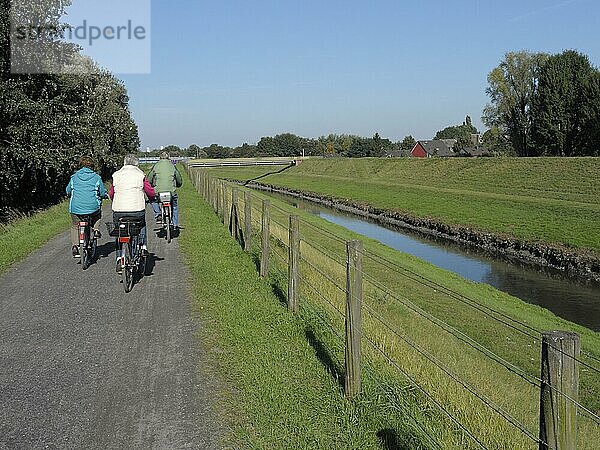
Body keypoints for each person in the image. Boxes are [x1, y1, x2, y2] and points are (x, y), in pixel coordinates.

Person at [108, 154, 155, 271]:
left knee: (120, 231)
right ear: (136, 163)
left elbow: (112, 193)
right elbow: (149, 191)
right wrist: (153, 197)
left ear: (124, 163)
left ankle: (119, 258)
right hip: (137, 210)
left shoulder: (116, 175)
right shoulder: (140, 175)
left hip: (119, 211)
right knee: (141, 224)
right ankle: (143, 246)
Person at [66, 156, 108, 258]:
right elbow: (102, 192)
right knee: (97, 215)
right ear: (92, 165)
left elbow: (68, 191)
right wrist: (105, 196)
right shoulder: (97, 177)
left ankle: (75, 246)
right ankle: (96, 229)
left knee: (75, 225)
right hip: (92, 208)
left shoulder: (74, 177)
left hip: (76, 209)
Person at [147, 152, 183, 228]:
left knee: (152, 200)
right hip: (171, 192)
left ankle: (158, 214)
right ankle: (175, 223)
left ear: (159, 157)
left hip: (158, 192)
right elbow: (178, 178)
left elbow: (149, 178)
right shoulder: (172, 166)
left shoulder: (156, 165)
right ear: (168, 157)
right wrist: (178, 184)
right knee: (174, 206)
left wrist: (150, 185)